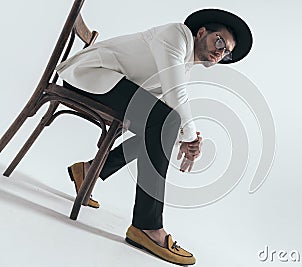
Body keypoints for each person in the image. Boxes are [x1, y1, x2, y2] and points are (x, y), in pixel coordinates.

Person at [56, 8, 252, 265]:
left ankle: (90, 170)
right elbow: (175, 95)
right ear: (201, 32)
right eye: (219, 42)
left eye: (226, 52)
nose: (220, 52)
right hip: (89, 76)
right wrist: (189, 136)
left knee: (163, 130)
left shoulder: (185, 62)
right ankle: (147, 227)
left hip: (110, 83)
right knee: (165, 124)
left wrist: (185, 138)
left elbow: (168, 107)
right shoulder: (175, 36)